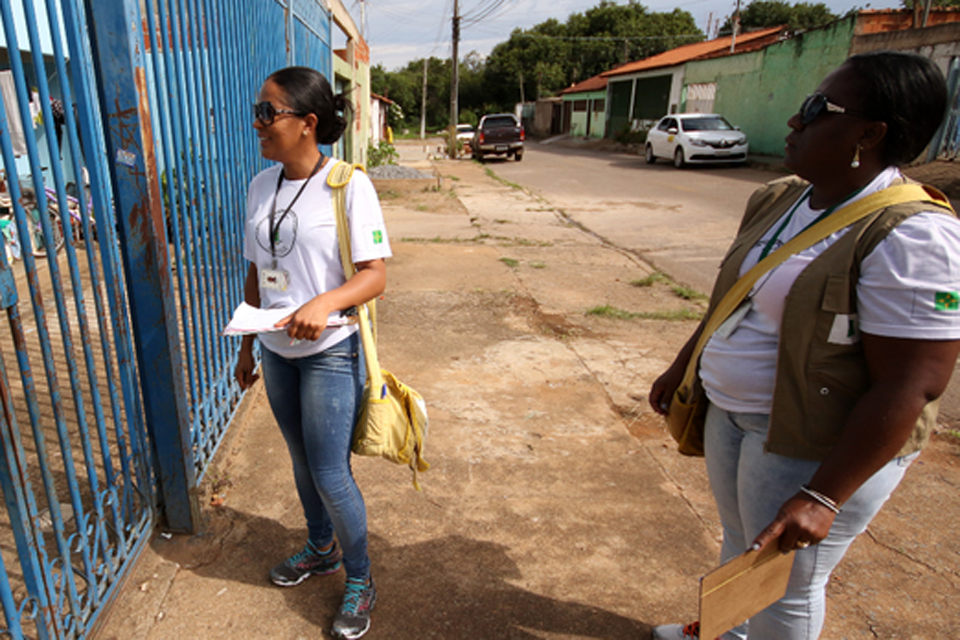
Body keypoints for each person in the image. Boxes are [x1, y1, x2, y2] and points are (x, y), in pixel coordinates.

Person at [648, 51, 960, 640]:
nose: (795, 121)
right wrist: (684, 363)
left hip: (814, 441)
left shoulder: (918, 235)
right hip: (737, 419)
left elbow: (915, 381)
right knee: (743, 544)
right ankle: (727, 634)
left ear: (869, 133)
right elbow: (734, 298)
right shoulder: (784, 199)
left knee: (788, 583)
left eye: (817, 109)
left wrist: (823, 494)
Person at [234, 66, 389, 640]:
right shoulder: (259, 186)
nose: (259, 122)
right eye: (259, 110)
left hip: (330, 351)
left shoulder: (349, 185)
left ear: (308, 123)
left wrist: (325, 302)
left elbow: (374, 277)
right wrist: (249, 345)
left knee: (329, 471)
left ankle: (361, 578)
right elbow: (257, 271)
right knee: (301, 463)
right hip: (275, 351)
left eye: (270, 112)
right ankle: (320, 549)